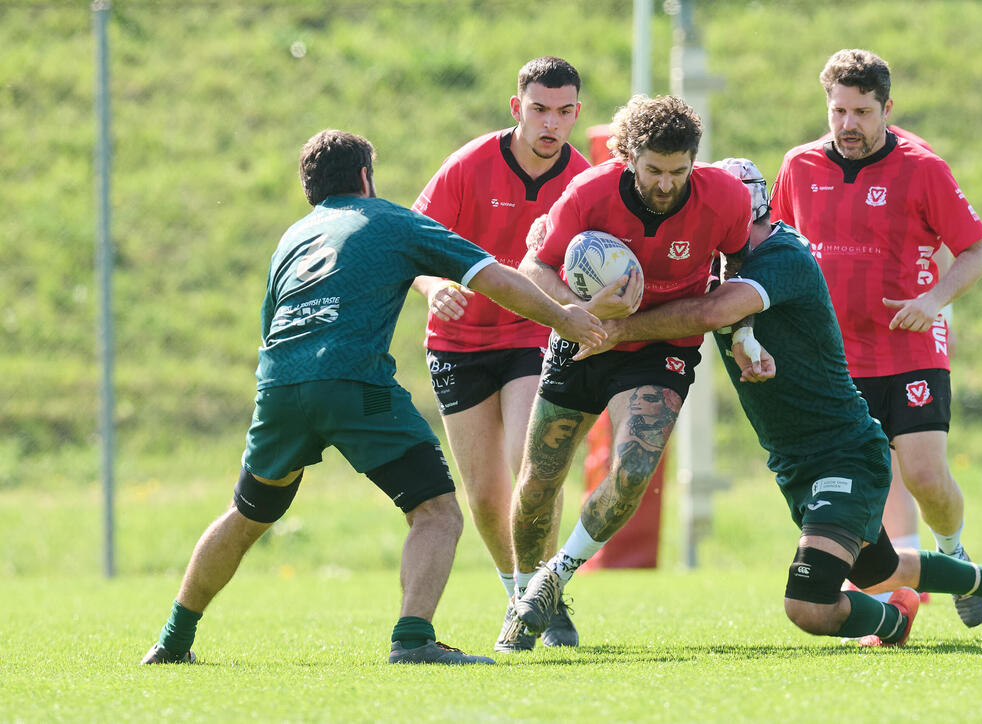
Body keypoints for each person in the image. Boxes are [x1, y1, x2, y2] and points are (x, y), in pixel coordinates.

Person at [139, 129, 605, 667]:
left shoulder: (293, 237)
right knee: (436, 512)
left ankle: (172, 641)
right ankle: (412, 640)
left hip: (280, 386)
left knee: (246, 514)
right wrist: (565, 317)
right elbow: (494, 278)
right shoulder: (391, 221)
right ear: (366, 176)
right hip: (356, 384)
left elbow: (270, 326)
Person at [570, 157, 982, 646]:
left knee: (807, 603)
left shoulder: (783, 255)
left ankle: (894, 623)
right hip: (797, 461)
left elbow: (712, 310)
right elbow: (721, 308)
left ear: (742, 213)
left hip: (844, 452)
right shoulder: (722, 263)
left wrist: (613, 331)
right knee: (882, 570)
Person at [502, 94, 755, 645]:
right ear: (629, 158)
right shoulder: (589, 194)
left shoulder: (726, 199)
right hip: (583, 339)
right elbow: (534, 268)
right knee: (539, 480)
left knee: (634, 469)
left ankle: (554, 577)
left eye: (679, 171)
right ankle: (524, 595)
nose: (667, 184)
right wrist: (577, 314)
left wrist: (745, 335)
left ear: (695, 160)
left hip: (661, 344)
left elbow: (737, 265)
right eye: (654, 171)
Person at [771, 49, 982, 628]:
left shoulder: (923, 168)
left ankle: (953, 551)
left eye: (862, 112)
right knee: (854, 494)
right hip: (834, 362)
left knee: (923, 476)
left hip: (909, 348)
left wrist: (932, 300)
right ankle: (891, 603)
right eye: (838, 110)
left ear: (886, 108)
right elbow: (777, 253)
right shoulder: (798, 168)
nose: (848, 124)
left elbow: (975, 253)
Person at [409, 57, 591, 652]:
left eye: (564, 112)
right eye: (540, 109)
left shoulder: (583, 178)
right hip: (459, 345)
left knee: (529, 463)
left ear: (575, 115)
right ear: (518, 108)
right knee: (485, 493)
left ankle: (548, 594)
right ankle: (520, 596)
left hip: (533, 336)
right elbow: (412, 245)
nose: (551, 124)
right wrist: (437, 289)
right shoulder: (468, 165)